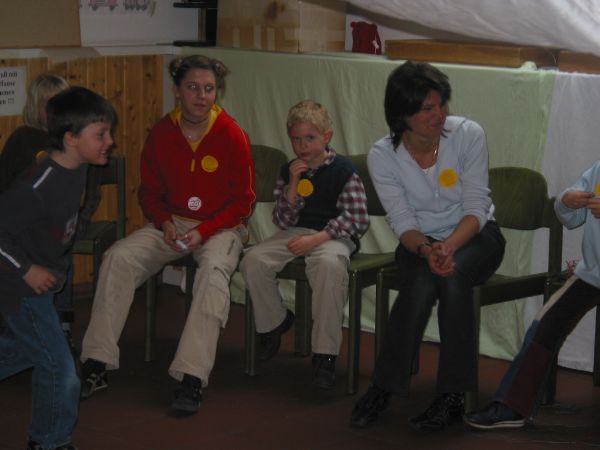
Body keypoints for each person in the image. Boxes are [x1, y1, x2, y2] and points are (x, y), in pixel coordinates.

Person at [79, 54, 256, 415]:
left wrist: (204, 231)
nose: (201, 96)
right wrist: (164, 222)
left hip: (222, 226)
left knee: (213, 273)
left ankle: (191, 377)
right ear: (177, 91)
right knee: (118, 257)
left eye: (209, 88)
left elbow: (243, 202)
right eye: (192, 87)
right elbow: (149, 192)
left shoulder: (232, 133)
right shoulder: (161, 133)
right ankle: (96, 363)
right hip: (171, 224)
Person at [350, 61, 506, 432]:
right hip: (419, 243)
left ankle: (451, 395)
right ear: (402, 115)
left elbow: (476, 208)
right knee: (422, 281)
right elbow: (402, 222)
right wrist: (427, 250)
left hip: (476, 236)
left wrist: (448, 247)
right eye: (426, 109)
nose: (439, 115)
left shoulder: (468, 135)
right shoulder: (382, 156)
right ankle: (384, 387)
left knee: (451, 275)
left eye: (441, 104)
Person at [0, 86, 117, 450]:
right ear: (70, 138)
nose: (109, 142)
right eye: (101, 134)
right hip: (17, 286)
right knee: (61, 371)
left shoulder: (79, 167)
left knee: (26, 350)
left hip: (39, 283)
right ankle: (49, 441)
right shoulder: (37, 184)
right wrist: (27, 269)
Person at [240, 100, 370, 389]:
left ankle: (324, 354)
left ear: (326, 136)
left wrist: (319, 238)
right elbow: (282, 221)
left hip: (334, 235)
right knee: (253, 260)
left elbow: (357, 218)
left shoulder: (343, 170)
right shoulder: (290, 170)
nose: (302, 146)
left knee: (327, 266)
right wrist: (291, 187)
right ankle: (275, 322)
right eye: (296, 139)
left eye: (310, 138)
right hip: (297, 231)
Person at [464, 161, 600, 430]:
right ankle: (512, 406)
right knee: (545, 325)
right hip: (593, 274)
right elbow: (568, 214)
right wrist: (567, 201)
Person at [0, 73, 104, 348]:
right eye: (47, 104)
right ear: (35, 107)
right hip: (25, 226)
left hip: (61, 226)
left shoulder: (77, 144)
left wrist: (81, 220)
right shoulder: (23, 139)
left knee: (60, 249)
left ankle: (62, 324)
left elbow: (90, 190)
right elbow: (6, 184)